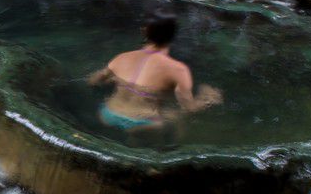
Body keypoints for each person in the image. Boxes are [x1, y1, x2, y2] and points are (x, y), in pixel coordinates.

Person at [87, 12, 222, 129]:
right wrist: (208, 99)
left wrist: (117, 79)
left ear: (144, 31)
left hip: (107, 114)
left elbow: (93, 81)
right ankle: (171, 148)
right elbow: (189, 108)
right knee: (178, 116)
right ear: (172, 36)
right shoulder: (178, 69)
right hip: (143, 124)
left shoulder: (121, 58)